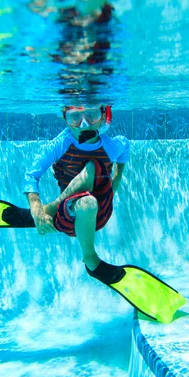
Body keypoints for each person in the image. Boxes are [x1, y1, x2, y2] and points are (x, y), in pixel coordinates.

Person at [23, 104, 129, 283]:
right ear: (65, 118)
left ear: (103, 117)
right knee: (89, 183)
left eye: (91, 115)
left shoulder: (112, 146)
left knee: (92, 168)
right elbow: (31, 175)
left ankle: (49, 209)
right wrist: (35, 207)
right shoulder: (62, 143)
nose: (84, 124)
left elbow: (124, 147)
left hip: (100, 214)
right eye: (75, 118)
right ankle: (91, 259)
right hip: (69, 216)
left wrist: (114, 185)